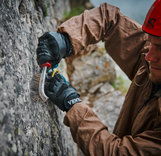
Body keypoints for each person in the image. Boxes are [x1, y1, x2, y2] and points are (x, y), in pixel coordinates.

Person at [36, 0, 161, 155]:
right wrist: (66, 39)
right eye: (151, 42)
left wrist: (73, 103)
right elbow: (110, 20)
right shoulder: (151, 60)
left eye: (160, 48)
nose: (149, 56)